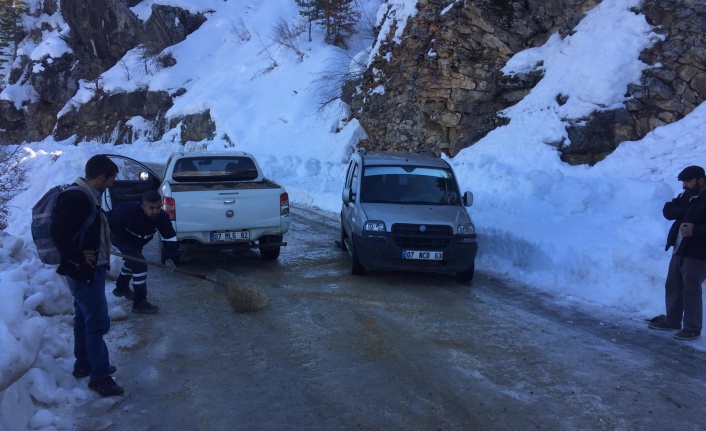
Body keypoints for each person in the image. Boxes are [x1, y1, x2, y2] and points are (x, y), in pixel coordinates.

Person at [50, 154, 124, 396]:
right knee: (97, 322)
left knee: (83, 317)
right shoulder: (78, 198)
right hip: (84, 271)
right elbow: (58, 232)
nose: (111, 185)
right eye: (110, 180)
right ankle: (99, 377)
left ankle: (84, 364)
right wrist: (79, 257)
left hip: (84, 269)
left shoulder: (85, 195)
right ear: (101, 177)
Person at [648, 165, 706, 340]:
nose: (684, 185)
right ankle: (672, 321)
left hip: (698, 252)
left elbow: (677, 211)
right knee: (673, 285)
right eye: (683, 182)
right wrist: (688, 209)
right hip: (679, 248)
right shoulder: (686, 196)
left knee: (691, 289)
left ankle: (692, 328)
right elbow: (668, 210)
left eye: (688, 181)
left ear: (700, 180)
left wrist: (695, 230)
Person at [108, 190, 179, 314]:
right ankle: (139, 302)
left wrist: (170, 257)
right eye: (151, 208)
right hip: (120, 237)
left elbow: (169, 237)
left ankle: (121, 288)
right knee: (140, 264)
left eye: (158, 207)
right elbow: (109, 220)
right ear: (143, 206)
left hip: (137, 242)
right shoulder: (128, 211)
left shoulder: (162, 218)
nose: (155, 211)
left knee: (132, 262)